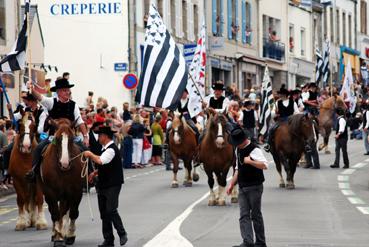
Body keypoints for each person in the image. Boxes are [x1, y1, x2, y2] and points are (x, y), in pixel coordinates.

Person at [25, 78, 89, 181]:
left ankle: (89, 175)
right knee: (38, 148)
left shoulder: (74, 105)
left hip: (70, 137)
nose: (68, 92)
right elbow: (40, 97)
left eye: (68, 90)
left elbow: (80, 121)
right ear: (58, 92)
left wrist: (86, 136)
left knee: (85, 150)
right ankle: (34, 171)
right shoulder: (51, 102)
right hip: (54, 137)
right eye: (65, 90)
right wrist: (31, 89)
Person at [83, 126, 127, 247]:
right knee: (104, 213)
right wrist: (95, 172)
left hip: (113, 184)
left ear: (105, 136)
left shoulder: (111, 149)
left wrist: (89, 154)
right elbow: (104, 165)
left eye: (100, 135)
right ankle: (108, 239)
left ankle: (122, 233)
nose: (98, 137)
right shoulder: (105, 149)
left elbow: (101, 161)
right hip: (103, 183)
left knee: (111, 209)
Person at [227, 127, 268, 247]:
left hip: (255, 186)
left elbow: (264, 165)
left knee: (255, 215)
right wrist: (231, 184)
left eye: (237, 143)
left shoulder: (255, 149)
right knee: (244, 215)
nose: (236, 145)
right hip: (242, 186)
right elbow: (237, 169)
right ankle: (248, 242)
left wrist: (250, 162)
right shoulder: (237, 150)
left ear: (243, 140)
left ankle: (260, 242)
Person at [264, 87, 298, 152]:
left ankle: (305, 144)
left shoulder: (293, 102)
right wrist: (274, 114)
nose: (279, 95)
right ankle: (268, 144)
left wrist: (294, 115)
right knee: (271, 129)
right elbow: (273, 112)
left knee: (299, 129)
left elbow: (297, 112)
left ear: (285, 95)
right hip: (281, 121)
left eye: (281, 94)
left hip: (291, 120)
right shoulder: (277, 103)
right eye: (279, 94)